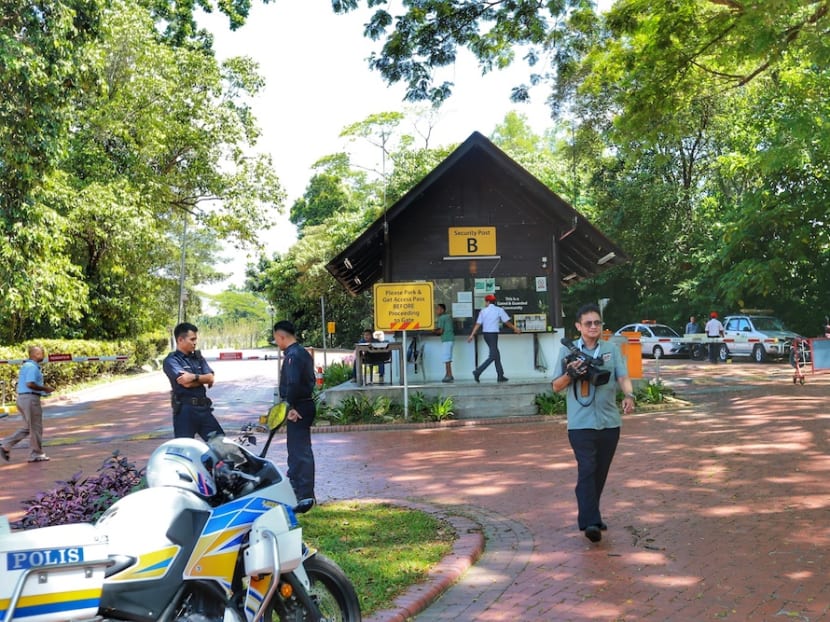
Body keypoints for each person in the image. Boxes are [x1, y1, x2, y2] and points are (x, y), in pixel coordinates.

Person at [552, 303, 635, 543]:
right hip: (580, 423)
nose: (593, 327)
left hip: (609, 422)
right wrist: (572, 373)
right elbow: (555, 386)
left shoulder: (611, 348)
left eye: (597, 322)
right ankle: (589, 522)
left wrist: (629, 395)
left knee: (600, 472)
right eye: (588, 323)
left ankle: (592, 515)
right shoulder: (567, 352)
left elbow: (622, 375)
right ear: (578, 326)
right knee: (587, 468)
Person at [273, 320, 316, 506]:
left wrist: (290, 407)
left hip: (298, 408)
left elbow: (293, 383)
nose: (277, 343)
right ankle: (298, 490)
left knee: (299, 451)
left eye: (276, 339)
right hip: (302, 405)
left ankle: (304, 494)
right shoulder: (300, 352)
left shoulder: (293, 356)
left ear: (282, 336)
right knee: (297, 450)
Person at [163, 322, 224, 440]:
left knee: (223, 446)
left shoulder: (198, 358)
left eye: (195, 339)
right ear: (180, 340)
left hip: (203, 410)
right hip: (185, 412)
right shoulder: (171, 361)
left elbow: (210, 378)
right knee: (184, 451)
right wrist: (201, 379)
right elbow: (186, 383)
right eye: (192, 339)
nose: (195, 342)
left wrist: (193, 377)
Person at [1, 345, 55, 463]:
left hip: (23, 398)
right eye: (41, 353)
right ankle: (36, 454)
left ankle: (5, 445)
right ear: (35, 354)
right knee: (35, 427)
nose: (43, 355)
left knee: (27, 428)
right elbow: (30, 384)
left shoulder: (26, 366)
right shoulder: (32, 367)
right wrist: (45, 388)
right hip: (30, 398)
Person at [467, 294, 521, 382]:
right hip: (493, 335)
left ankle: (500, 375)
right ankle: (478, 371)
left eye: (485, 301)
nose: (485, 303)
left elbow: (478, 324)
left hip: (486, 335)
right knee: (492, 356)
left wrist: (471, 335)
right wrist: (516, 329)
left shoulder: (483, 311)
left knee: (496, 354)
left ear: (488, 302)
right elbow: (507, 322)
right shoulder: (499, 310)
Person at [433, 303, 455, 382]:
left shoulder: (442, 318)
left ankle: (449, 375)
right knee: (448, 357)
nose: (436, 311)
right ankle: (447, 374)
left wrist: (433, 330)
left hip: (446, 339)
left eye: (438, 309)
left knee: (446, 358)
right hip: (451, 338)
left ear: (442, 310)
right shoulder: (448, 317)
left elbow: (441, 331)